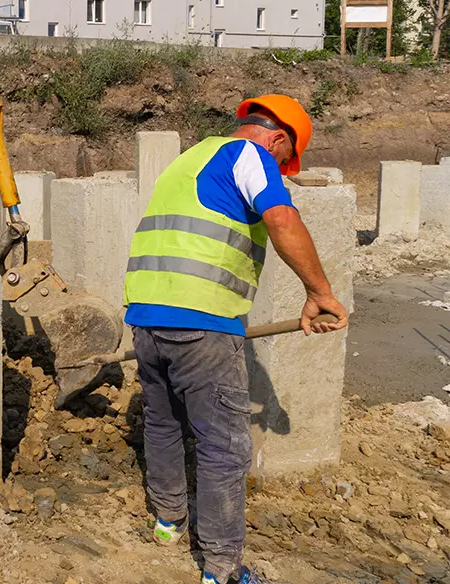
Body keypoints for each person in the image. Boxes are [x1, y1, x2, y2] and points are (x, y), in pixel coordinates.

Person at [122, 95, 349, 584]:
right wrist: (319, 292)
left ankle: (168, 523)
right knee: (224, 446)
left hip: (144, 313)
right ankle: (222, 570)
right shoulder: (252, 156)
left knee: (163, 424)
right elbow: (281, 217)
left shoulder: (191, 157)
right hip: (203, 320)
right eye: (284, 161)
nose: (280, 170)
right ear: (278, 138)